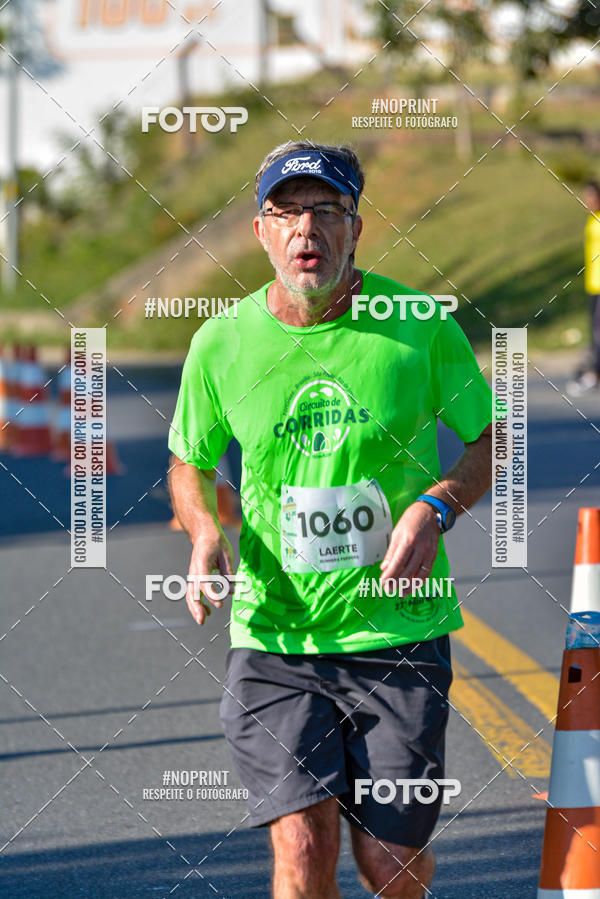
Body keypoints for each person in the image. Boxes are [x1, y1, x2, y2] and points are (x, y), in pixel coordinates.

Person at [168, 141, 493, 899]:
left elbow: (485, 438)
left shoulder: (416, 326)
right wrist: (206, 530)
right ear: (261, 231)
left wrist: (436, 504)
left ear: (356, 228)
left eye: (325, 211)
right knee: (301, 845)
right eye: (287, 212)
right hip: (277, 639)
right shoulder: (222, 342)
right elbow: (189, 460)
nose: (305, 229)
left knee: (391, 863)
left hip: (400, 635)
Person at [567, 180, 600, 395]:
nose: (588, 201)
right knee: (594, 330)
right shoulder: (592, 219)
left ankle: (594, 375)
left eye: (592, 196)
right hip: (593, 285)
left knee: (598, 332)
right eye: (585, 197)